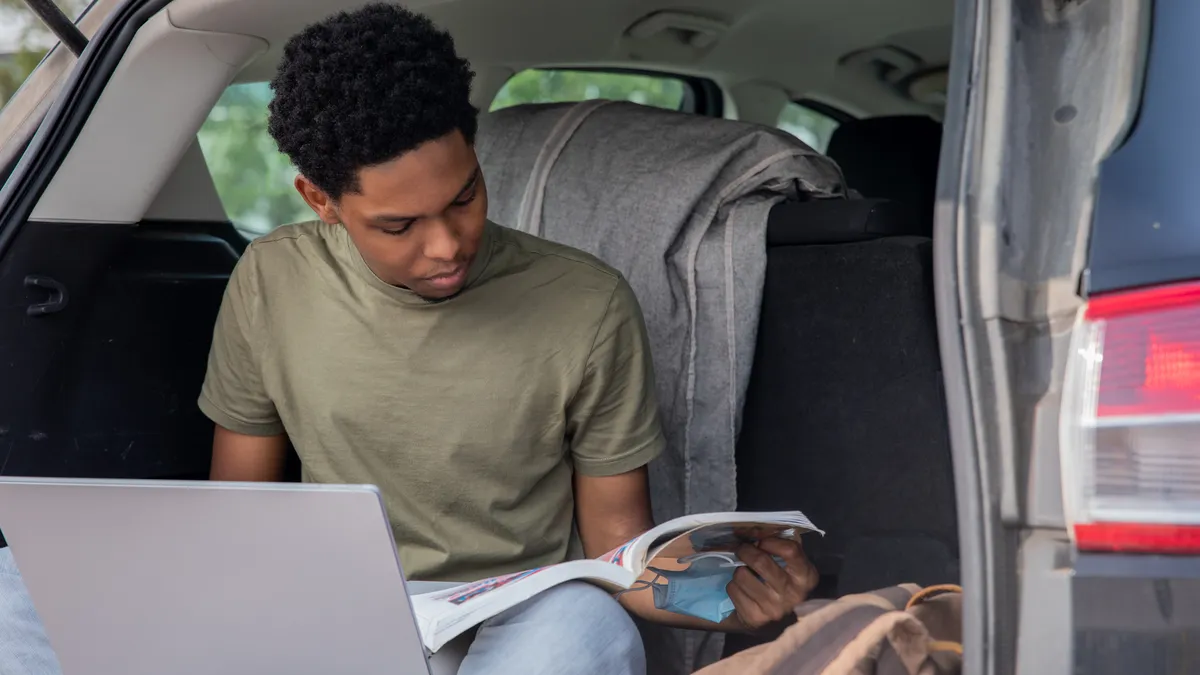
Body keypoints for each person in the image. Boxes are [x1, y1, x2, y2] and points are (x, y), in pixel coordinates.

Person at [0, 4, 817, 674]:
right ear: (320, 199)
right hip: (331, 619)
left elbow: (617, 550)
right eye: (398, 224)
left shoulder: (585, 304)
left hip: (509, 635)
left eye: (464, 197)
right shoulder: (271, 281)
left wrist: (724, 593)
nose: (447, 244)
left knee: (586, 619)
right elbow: (238, 516)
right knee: (12, 584)